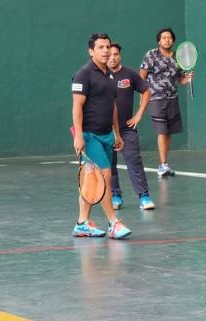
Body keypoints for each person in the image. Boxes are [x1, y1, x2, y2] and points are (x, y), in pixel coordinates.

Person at [71, 32, 131, 240]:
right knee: (105, 177)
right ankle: (114, 222)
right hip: (89, 136)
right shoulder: (83, 74)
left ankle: (82, 223)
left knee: (91, 181)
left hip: (107, 135)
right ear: (91, 51)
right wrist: (79, 136)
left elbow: (112, 106)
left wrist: (116, 133)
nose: (106, 51)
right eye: (100, 47)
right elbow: (76, 107)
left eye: (107, 47)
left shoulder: (109, 76)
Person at [139, 27, 192, 178]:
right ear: (159, 41)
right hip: (156, 99)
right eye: (164, 38)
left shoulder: (178, 57)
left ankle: (165, 164)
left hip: (172, 99)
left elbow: (180, 80)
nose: (167, 40)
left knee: (168, 132)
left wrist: (188, 79)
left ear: (173, 40)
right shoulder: (151, 55)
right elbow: (141, 77)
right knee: (162, 131)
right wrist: (143, 99)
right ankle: (162, 165)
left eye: (169, 38)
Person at [108, 43, 155, 210]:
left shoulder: (130, 74)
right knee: (109, 165)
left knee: (134, 162)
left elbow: (147, 91)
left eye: (115, 54)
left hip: (127, 129)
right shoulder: (99, 75)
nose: (112, 57)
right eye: (109, 54)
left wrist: (139, 114)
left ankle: (144, 197)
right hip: (106, 130)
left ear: (119, 56)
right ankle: (115, 196)